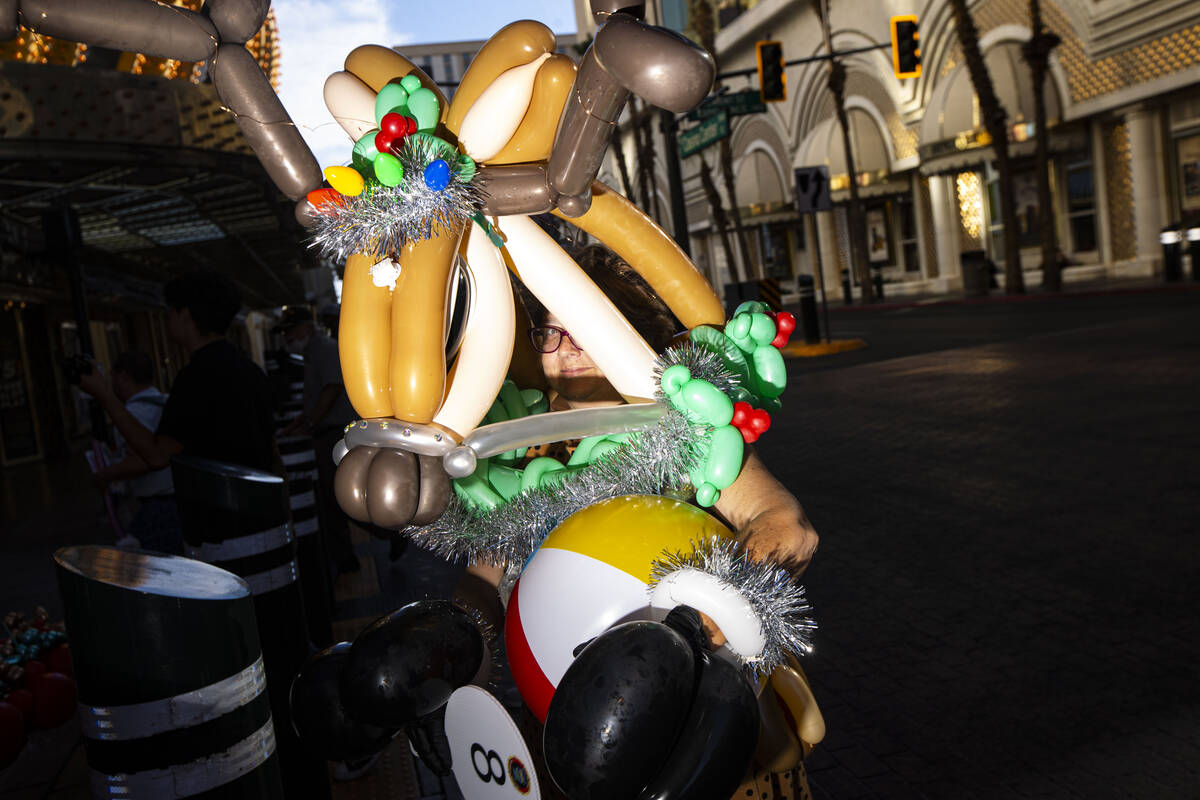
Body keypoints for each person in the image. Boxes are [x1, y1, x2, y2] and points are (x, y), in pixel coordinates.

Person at [456, 245, 820, 799]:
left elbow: (786, 526)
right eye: (550, 331)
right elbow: (485, 582)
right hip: (567, 734)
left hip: (693, 729)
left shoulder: (683, 428)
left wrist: (707, 622)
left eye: (584, 324)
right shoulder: (518, 447)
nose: (566, 345)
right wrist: (446, 650)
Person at [80, 270, 279, 482]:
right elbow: (272, 452)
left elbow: (157, 455)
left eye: (170, 313)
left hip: (220, 507)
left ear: (185, 315)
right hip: (260, 505)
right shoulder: (251, 370)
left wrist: (104, 395)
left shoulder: (194, 379)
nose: (168, 321)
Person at [277, 308, 360, 574]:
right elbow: (317, 397)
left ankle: (388, 533)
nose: (288, 337)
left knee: (340, 495)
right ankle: (345, 558)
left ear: (306, 327)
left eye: (291, 330)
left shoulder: (322, 348)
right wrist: (298, 424)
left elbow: (332, 388)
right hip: (325, 433)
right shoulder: (311, 353)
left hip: (335, 434)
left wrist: (311, 423)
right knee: (331, 497)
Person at [90, 350, 181, 553]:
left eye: (113, 375)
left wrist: (107, 473)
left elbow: (143, 460)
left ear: (123, 377)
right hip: (176, 499)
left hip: (159, 505)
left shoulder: (133, 413)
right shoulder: (165, 402)